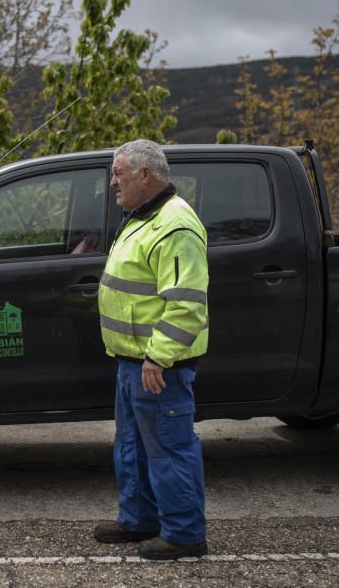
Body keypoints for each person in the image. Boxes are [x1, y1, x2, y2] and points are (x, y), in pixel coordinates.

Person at [93, 139, 210, 561]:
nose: (113, 183)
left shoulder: (175, 224)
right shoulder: (143, 217)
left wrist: (159, 356)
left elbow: (185, 302)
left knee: (169, 448)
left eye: (118, 173)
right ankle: (139, 519)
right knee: (133, 447)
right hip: (132, 361)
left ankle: (184, 534)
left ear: (145, 174)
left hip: (158, 365)